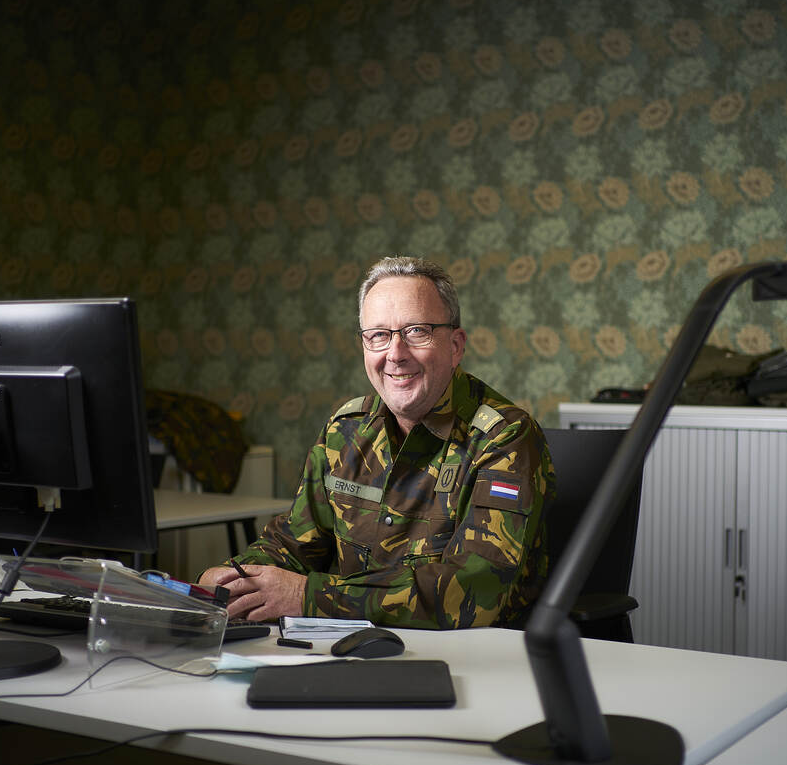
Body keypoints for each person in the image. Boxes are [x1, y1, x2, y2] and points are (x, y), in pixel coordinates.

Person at [197, 256, 555, 628]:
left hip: (475, 654)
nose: (395, 354)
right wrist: (227, 580)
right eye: (378, 335)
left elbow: (473, 592)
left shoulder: (504, 438)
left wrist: (307, 596)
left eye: (416, 331)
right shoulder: (346, 430)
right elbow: (293, 542)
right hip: (356, 646)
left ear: (455, 345)